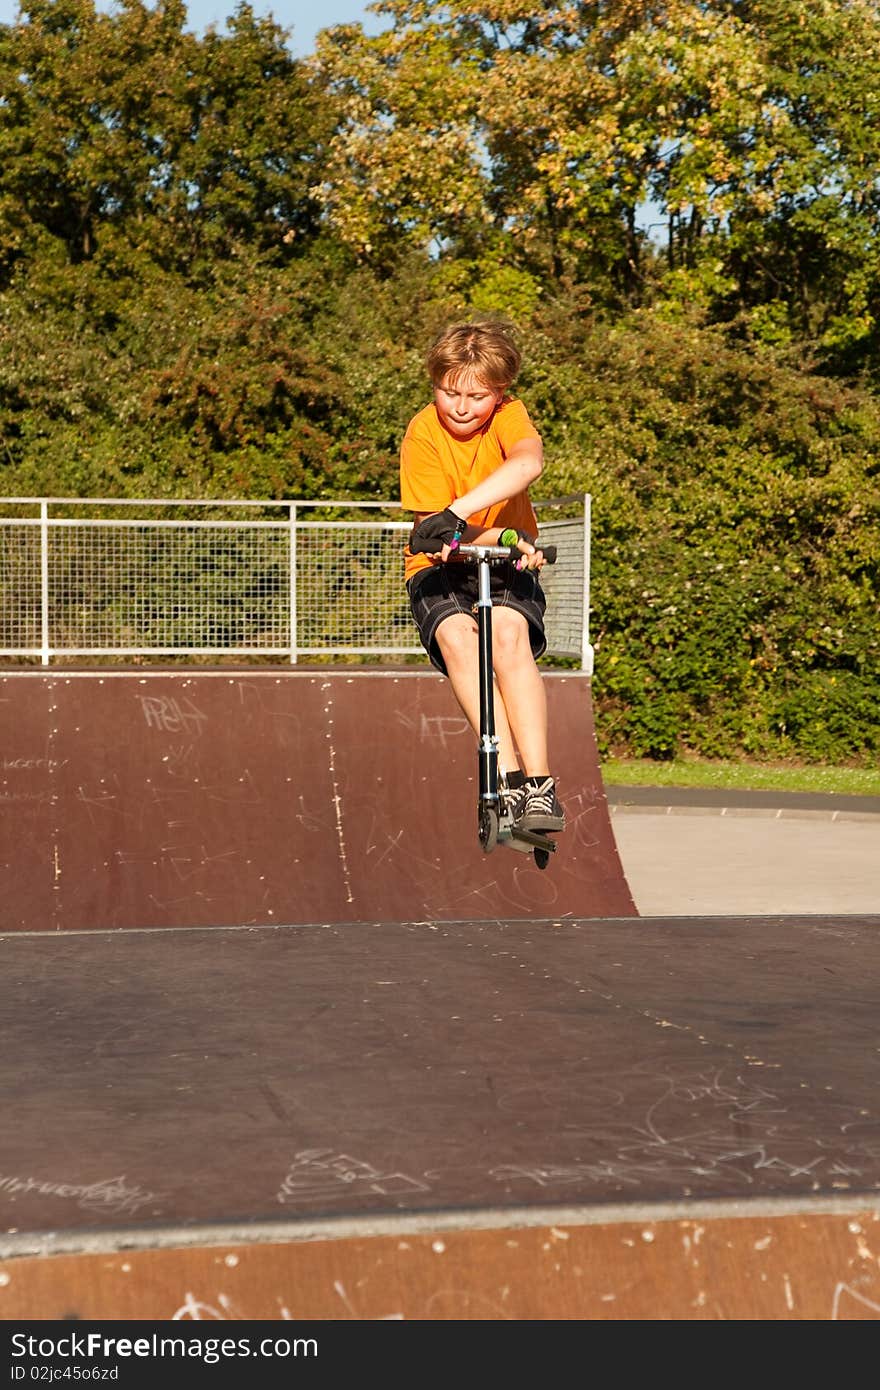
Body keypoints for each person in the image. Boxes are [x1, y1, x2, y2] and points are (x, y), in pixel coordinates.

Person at [399, 319, 565, 834]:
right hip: (439, 565)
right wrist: (493, 534)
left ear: (499, 394)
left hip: (506, 559)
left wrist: (497, 534)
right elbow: (435, 535)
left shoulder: (511, 418)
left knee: (510, 638)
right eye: (449, 393)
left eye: (475, 396)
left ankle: (539, 789)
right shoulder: (423, 430)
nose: (461, 407)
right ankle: (506, 774)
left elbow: (528, 463)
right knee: (460, 639)